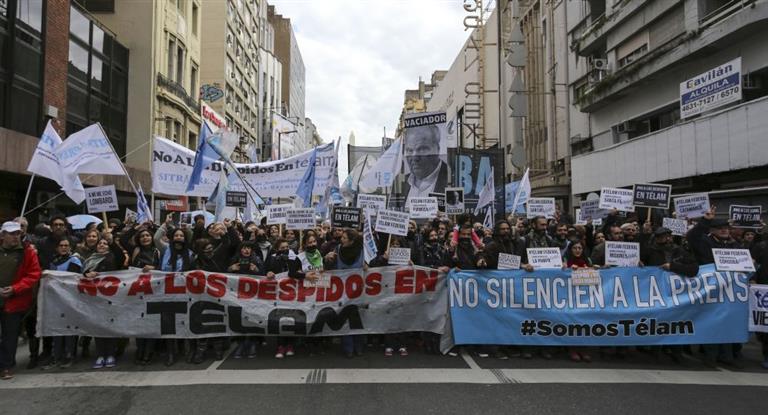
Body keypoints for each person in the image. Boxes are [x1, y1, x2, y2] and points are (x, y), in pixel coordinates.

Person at [686, 207, 742, 368]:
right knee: (711, 320)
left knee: (728, 321)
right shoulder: (704, 241)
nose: (724, 230)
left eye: (726, 228)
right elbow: (692, 236)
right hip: (709, 288)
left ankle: (727, 356)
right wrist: (706, 220)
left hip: (731, 290)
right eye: (720, 228)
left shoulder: (735, 245)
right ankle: (710, 355)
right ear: (712, 230)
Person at [0, 221, 42, 380]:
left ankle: (6, 366)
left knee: (10, 336)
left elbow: (33, 274)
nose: (15, 237)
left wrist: (15, 288)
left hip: (14, 300)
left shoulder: (27, 252)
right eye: (11, 233)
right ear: (3, 235)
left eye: (18, 233)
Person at [42, 236, 82, 370]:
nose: (63, 247)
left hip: (70, 301)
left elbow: (73, 280)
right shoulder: (53, 261)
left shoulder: (75, 261)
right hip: (55, 301)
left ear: (70, 247)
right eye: (61, 245)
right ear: (57, 247)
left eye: (66, 245)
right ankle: (56, 357)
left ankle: (69, 356)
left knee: (69, 329)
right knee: (57, 329)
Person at [324, 229, 365, 358]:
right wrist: (327, 259)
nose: (341, 240)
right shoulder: (337, 250)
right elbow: (329, 268)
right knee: (345, 319)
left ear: (352, 241)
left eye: (344, 238)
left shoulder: (363, 252)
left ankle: (359, 347)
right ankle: (348, 348)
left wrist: (368, 266)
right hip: (342, 293)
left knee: (358, 319)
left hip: (359, 292)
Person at [82, 238, 118, 369]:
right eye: (100, 243)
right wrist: (87, 274)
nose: (102, 245)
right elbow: (81, 275)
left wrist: (112, 240)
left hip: (109, 298)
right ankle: (100, 354)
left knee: (109, 326)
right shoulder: (90, 260)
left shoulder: (112, 258)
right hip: (94, 299)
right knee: (98, 327)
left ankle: (110, 354)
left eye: (105, 243)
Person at [130, 229, 160, 366]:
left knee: (151, 320)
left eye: (147, 235)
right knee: (139, 321)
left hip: (154, 290)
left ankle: (149, 351)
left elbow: (161, 269)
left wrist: (153, 268)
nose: (145, 238)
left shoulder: (157, 251)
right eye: (142, 236)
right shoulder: (136, 250)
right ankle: (140, 349)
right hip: (138, 290)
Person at [266, 239, 299, 359]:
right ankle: (280, 346)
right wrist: (269, 272)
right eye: (282, 247)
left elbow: (298, 271)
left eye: (286, 247)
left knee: (291, 318)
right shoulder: (272, 258)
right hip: (277, 293)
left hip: (292, 293)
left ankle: (290, 345)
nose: (285, 249)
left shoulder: (294, 257)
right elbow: (267, 270)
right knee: (279, 319)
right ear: (277, 248)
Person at [402, 124, 448, 202]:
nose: (414, 157)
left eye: (422, 149)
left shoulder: (452, 178)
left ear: (437, 149)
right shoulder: (400, 183)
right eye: (409, 150)